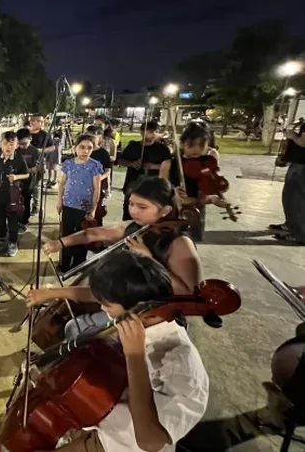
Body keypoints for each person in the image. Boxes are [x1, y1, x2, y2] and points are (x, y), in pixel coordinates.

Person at [26, 250, 208, 452]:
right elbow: (99, 296)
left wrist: (135, 357)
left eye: (107, 305)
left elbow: (150, 441)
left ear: (141, 309)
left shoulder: (182, 368)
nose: (102, 309)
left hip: (117, 443)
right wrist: (51, 294)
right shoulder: (136, 312)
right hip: (97, 417)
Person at [43, 176, 202, 303]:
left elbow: (187, 292)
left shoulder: (180, 243)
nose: (133, 211)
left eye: (142, 207)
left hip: (151, 310)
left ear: (165, 210)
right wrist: (60, 243)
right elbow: (93, 234)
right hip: (123, 298)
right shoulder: (134, 227)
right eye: (131, 204)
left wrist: (149, 259)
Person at [169, 122, 231, 242]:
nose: (196, 150)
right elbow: (163, 187)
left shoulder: (210, 157)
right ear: (183, 143)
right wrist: (174, 192)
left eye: (202, 146)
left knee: (191, 241)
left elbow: (209, 183)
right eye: (191, 145)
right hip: (174, 208)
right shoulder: (173, 161)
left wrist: (212, 197)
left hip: (196, 207)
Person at [56, 134, 104, 271]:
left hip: (84, 207)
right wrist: (60, 201)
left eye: (89, 148)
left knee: (82, 235)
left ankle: (78, 264)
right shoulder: (69, 164)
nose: (85, 151)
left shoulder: (95, 166)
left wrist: (93, 209)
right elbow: (62, 184)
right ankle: (64, 263)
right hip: (68, 205)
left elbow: (97, 189)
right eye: (82, 147)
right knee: (67, 234)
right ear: (75, 148)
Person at [117, 121, 172, 220]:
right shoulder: (133, 146)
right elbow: (120, 161)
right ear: (142, 132)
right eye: (150, 131)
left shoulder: (162, 148)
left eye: (156, 131)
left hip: (153, 185)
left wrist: (153, 166)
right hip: (133, 183)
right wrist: (132, 164)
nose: (154, 134)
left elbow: (169, 165)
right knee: (128, 212)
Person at [0, 131, 30, 257]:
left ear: (17, 145)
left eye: (12, 144)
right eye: (5, 143)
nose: (8, 147)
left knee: (12, 221)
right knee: (0, 218)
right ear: (0, 145)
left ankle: (13, 243)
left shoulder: (19, 159)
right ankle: (2, 239)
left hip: (13, 196)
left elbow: (27, 174)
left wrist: (17, 176)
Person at [269, 121, 305, 244]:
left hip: (301, 167)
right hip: (297, 165)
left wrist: (293, 136)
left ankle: (300, 234)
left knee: (297, 201)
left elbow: (303, 142)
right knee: (289, 198)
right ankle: (290, 224)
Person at [15, 128, 40, 234]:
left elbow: (37, 168)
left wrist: (28, 170)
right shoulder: (16, 150)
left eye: (24, 143)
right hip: (17, 180)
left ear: (30, 139)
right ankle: (16, 220)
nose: (22, 146)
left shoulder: (34, 151)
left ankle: (24, 221)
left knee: (26, 201)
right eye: (20, 143)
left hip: (29, 181)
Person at [89, 130, 113, 226]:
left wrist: (100, 178)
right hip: (84, 183)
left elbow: (108, 170)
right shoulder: (83, 151)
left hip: (98, 183)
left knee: (98, 206)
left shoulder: (103, 153)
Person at [29, 115, 54, 208]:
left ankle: (36, 205)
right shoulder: (25, 133)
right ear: (32, 122)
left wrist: (41, 150)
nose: (42, 123)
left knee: (36, 185)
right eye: (40, 121)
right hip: (24, 161)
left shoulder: (44, 134)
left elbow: (52, 147)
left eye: (42, 121)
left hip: (38, 162)